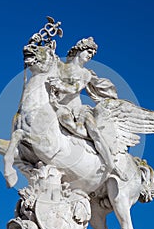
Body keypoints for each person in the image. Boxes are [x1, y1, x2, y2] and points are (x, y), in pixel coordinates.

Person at [49, 37, 127, 181]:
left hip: (77, 110)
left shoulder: (86, 74)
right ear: (79, 50)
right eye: (88, 51)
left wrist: (60, 85)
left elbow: (75, 88)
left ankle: (110, 164)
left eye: (92, 54)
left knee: (94, 131)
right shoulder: (60, 66)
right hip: (57, 107)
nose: (90, 55)